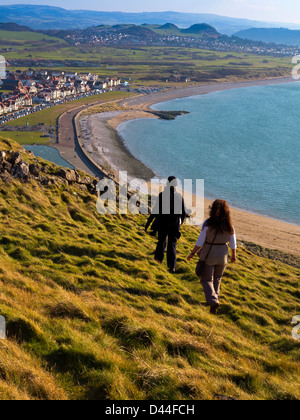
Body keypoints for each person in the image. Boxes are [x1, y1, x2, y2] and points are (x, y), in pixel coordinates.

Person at [187, 200, 237, 315]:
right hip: (223, 254)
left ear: (212, 209)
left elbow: (200, 242)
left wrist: (192, 253)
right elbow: (233, 242)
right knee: (217, 278)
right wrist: (233, 255)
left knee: (206, 279)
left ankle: (213, 300)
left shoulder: (207, 223)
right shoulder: (229, 225)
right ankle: (215, 300)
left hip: (209, 254)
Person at [146, 176, 187, 274]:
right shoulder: (179, 197)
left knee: (161, 242)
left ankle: (158, 262)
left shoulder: (162, 195)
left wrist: (148, 223)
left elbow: (155, 211)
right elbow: (184, 213)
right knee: (172, 245)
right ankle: (172, 267)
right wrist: (179, 222)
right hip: (174, 224)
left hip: (163, 222)